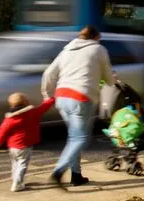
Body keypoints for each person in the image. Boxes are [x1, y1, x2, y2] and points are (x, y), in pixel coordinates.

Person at [42, 25, 116, 187]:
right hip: (81, 98)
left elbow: (48, 74)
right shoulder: (98, 49)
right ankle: (58, 172)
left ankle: (76, 175)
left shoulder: (66, 50)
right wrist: (111, 81)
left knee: (73, 138)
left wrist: (47, 95)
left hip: (62, 97)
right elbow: (109, 79)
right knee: (81, 138)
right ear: (96, 37)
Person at [0, 92, 55, 192]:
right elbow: (44, 107)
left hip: (12, 146)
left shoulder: (10, 118)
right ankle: (17, 184)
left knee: (15, 163)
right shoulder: (32, 113)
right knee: (22, 164)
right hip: (25, 145)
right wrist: (51, 99)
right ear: (26, 102)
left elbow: (2, 130)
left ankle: (15, 180)